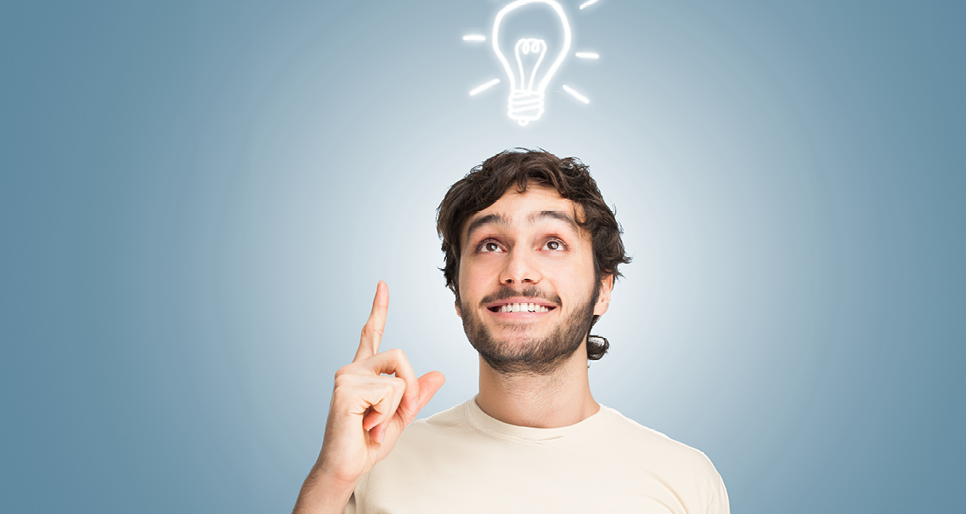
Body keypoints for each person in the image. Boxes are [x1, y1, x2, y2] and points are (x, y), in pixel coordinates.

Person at [293, 149, 729, 513]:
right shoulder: (376, 463)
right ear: (458, 294)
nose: (517, 271)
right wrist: (332, 477)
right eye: (490, 245)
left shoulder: (685, 480)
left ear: (603, 289)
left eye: (553, 243)